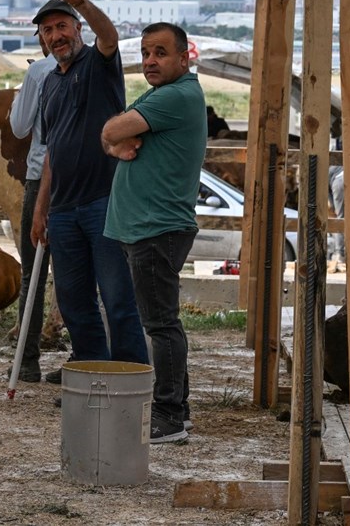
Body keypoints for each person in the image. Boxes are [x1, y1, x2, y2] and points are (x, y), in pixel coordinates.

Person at [30, 0, 150, 389]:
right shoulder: (50, 85)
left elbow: (110, 35)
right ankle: (91, 379)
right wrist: (41, 210)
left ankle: (131, 382)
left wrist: (80, 1)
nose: (57, 35)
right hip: (63, 211)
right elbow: (52, 153)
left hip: (104, 203)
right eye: (48, 31)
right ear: (43, 42)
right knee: (75, 301)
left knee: (117, 298)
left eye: (63, 26)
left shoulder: (98, 66)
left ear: (77, 29)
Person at [102, 22, 207, 444]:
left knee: (161, 325)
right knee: (162, 323)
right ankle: (177, 407)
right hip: (147, 227)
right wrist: (115, 144)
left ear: (185, 58)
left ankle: (169, 415)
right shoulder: (164, 94)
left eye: (161, 53)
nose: (151, 61)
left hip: (156, 228)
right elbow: (115, 138)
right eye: (146, 53)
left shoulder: (177, 96)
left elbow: (111, 130)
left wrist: (113, 141)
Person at [8, 32, 57, 382]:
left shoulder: (40, 71)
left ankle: (27, 362)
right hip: (84, 181)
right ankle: (86, 360)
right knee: (79, 273)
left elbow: (19, 125)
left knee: (33, 273)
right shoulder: (96, 67)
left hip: (40, 175)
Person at [328, 164, 345, 265]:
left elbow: (327, 193)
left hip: (338, 182)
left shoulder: (325, 169)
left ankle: (339, 254)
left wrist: (334, 208)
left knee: (340, 219)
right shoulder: (338, 164)